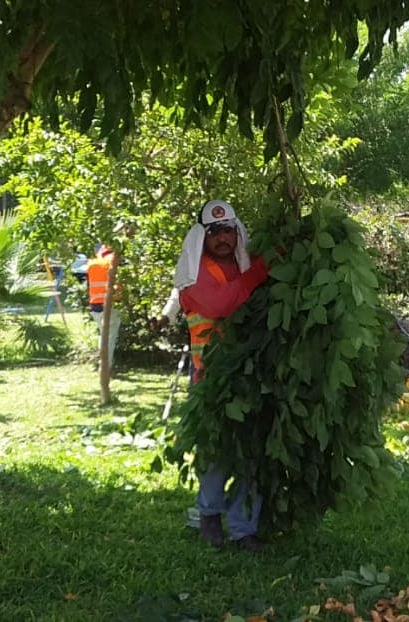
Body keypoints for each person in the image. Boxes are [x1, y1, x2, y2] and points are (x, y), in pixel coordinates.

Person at [169, 198, 269, 551]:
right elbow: (221, 304)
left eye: (228, 230)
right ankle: (209, 516)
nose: (223, 238)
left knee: (252, 454)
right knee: (218, 454)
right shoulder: (192, 278)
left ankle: (244, 529)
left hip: (252, 379)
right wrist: (260, 271)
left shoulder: (245, 269)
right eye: (214, 232)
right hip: (210, 381)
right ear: (202, 238)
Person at [86, 244, 121, 371]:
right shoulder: (112, 263)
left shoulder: (92, 264)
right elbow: (117, 287)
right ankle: (105, 367)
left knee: (103, 336)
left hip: (95, 305)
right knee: (109, 339)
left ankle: (101, 364)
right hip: (109, 306)